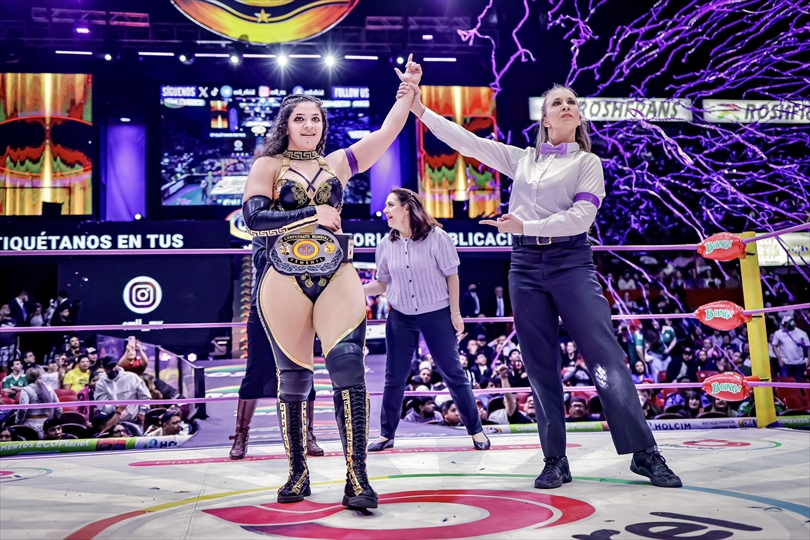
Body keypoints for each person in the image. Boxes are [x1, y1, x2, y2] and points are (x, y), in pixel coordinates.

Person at [398, 72, 681, 489]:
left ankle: (645, 453)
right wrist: (420, 108)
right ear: (545, 119)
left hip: (571, 261)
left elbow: (581, 218)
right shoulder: (523, 160)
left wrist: (524, 225)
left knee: (604, 356)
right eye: (557, 103)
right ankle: (555, 460)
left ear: (579, 117)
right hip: (525, 265)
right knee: (538, 364)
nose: (566, 106)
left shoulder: (587, 163)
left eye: (572, 102)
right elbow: (467, 142)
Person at [240, 57, 417, 509]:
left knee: (348, 365)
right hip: (282, 276)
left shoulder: (338, 162)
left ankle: (357, 478)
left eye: (316, 118)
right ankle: (297, 473)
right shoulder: (268, 165)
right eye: (299, 118)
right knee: (294, 378)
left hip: (336, 271)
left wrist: (407, 94)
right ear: (286, 124)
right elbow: (253, 219)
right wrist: (311, 214)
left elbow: (386, 134)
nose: (309, 125)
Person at [364, 188, 490, 452]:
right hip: (400, 315)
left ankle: (476, 431)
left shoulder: (437, 237)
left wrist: (455, 313)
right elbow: (382, 284)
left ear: (406, 208)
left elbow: (452, 276)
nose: (385, 210)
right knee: (394, 377)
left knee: (453, 373)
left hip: (437, 313)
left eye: (390, 205)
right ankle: (386, 435)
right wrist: (355, 289)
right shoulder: (385, 244)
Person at [228, 236, 324, 461]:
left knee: (304, 369)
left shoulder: (307, 229)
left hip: (299, 305)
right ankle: (241, 435)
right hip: (264, 305)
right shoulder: (263, 229)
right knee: (255, 370)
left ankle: (307, 434)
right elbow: (262, 260)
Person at [16, 366, 61, 436]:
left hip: (30, 427)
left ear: (26, 378)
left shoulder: (26, 390)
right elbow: (59, 409)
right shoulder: (50, 388)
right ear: (40, 376)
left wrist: (18, 421)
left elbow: (23, 409)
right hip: (48, 428)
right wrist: (53, 422)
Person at [772, 315, 809, 382]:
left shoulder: (802, 333)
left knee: (799, 383)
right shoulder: (778, 333)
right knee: (785, 382)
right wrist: (779, 358)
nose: (784, 327)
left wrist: (809, 360)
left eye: (786, 325)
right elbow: (774, 345)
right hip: (785, 363)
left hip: (799, 363)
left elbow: (808, 347)